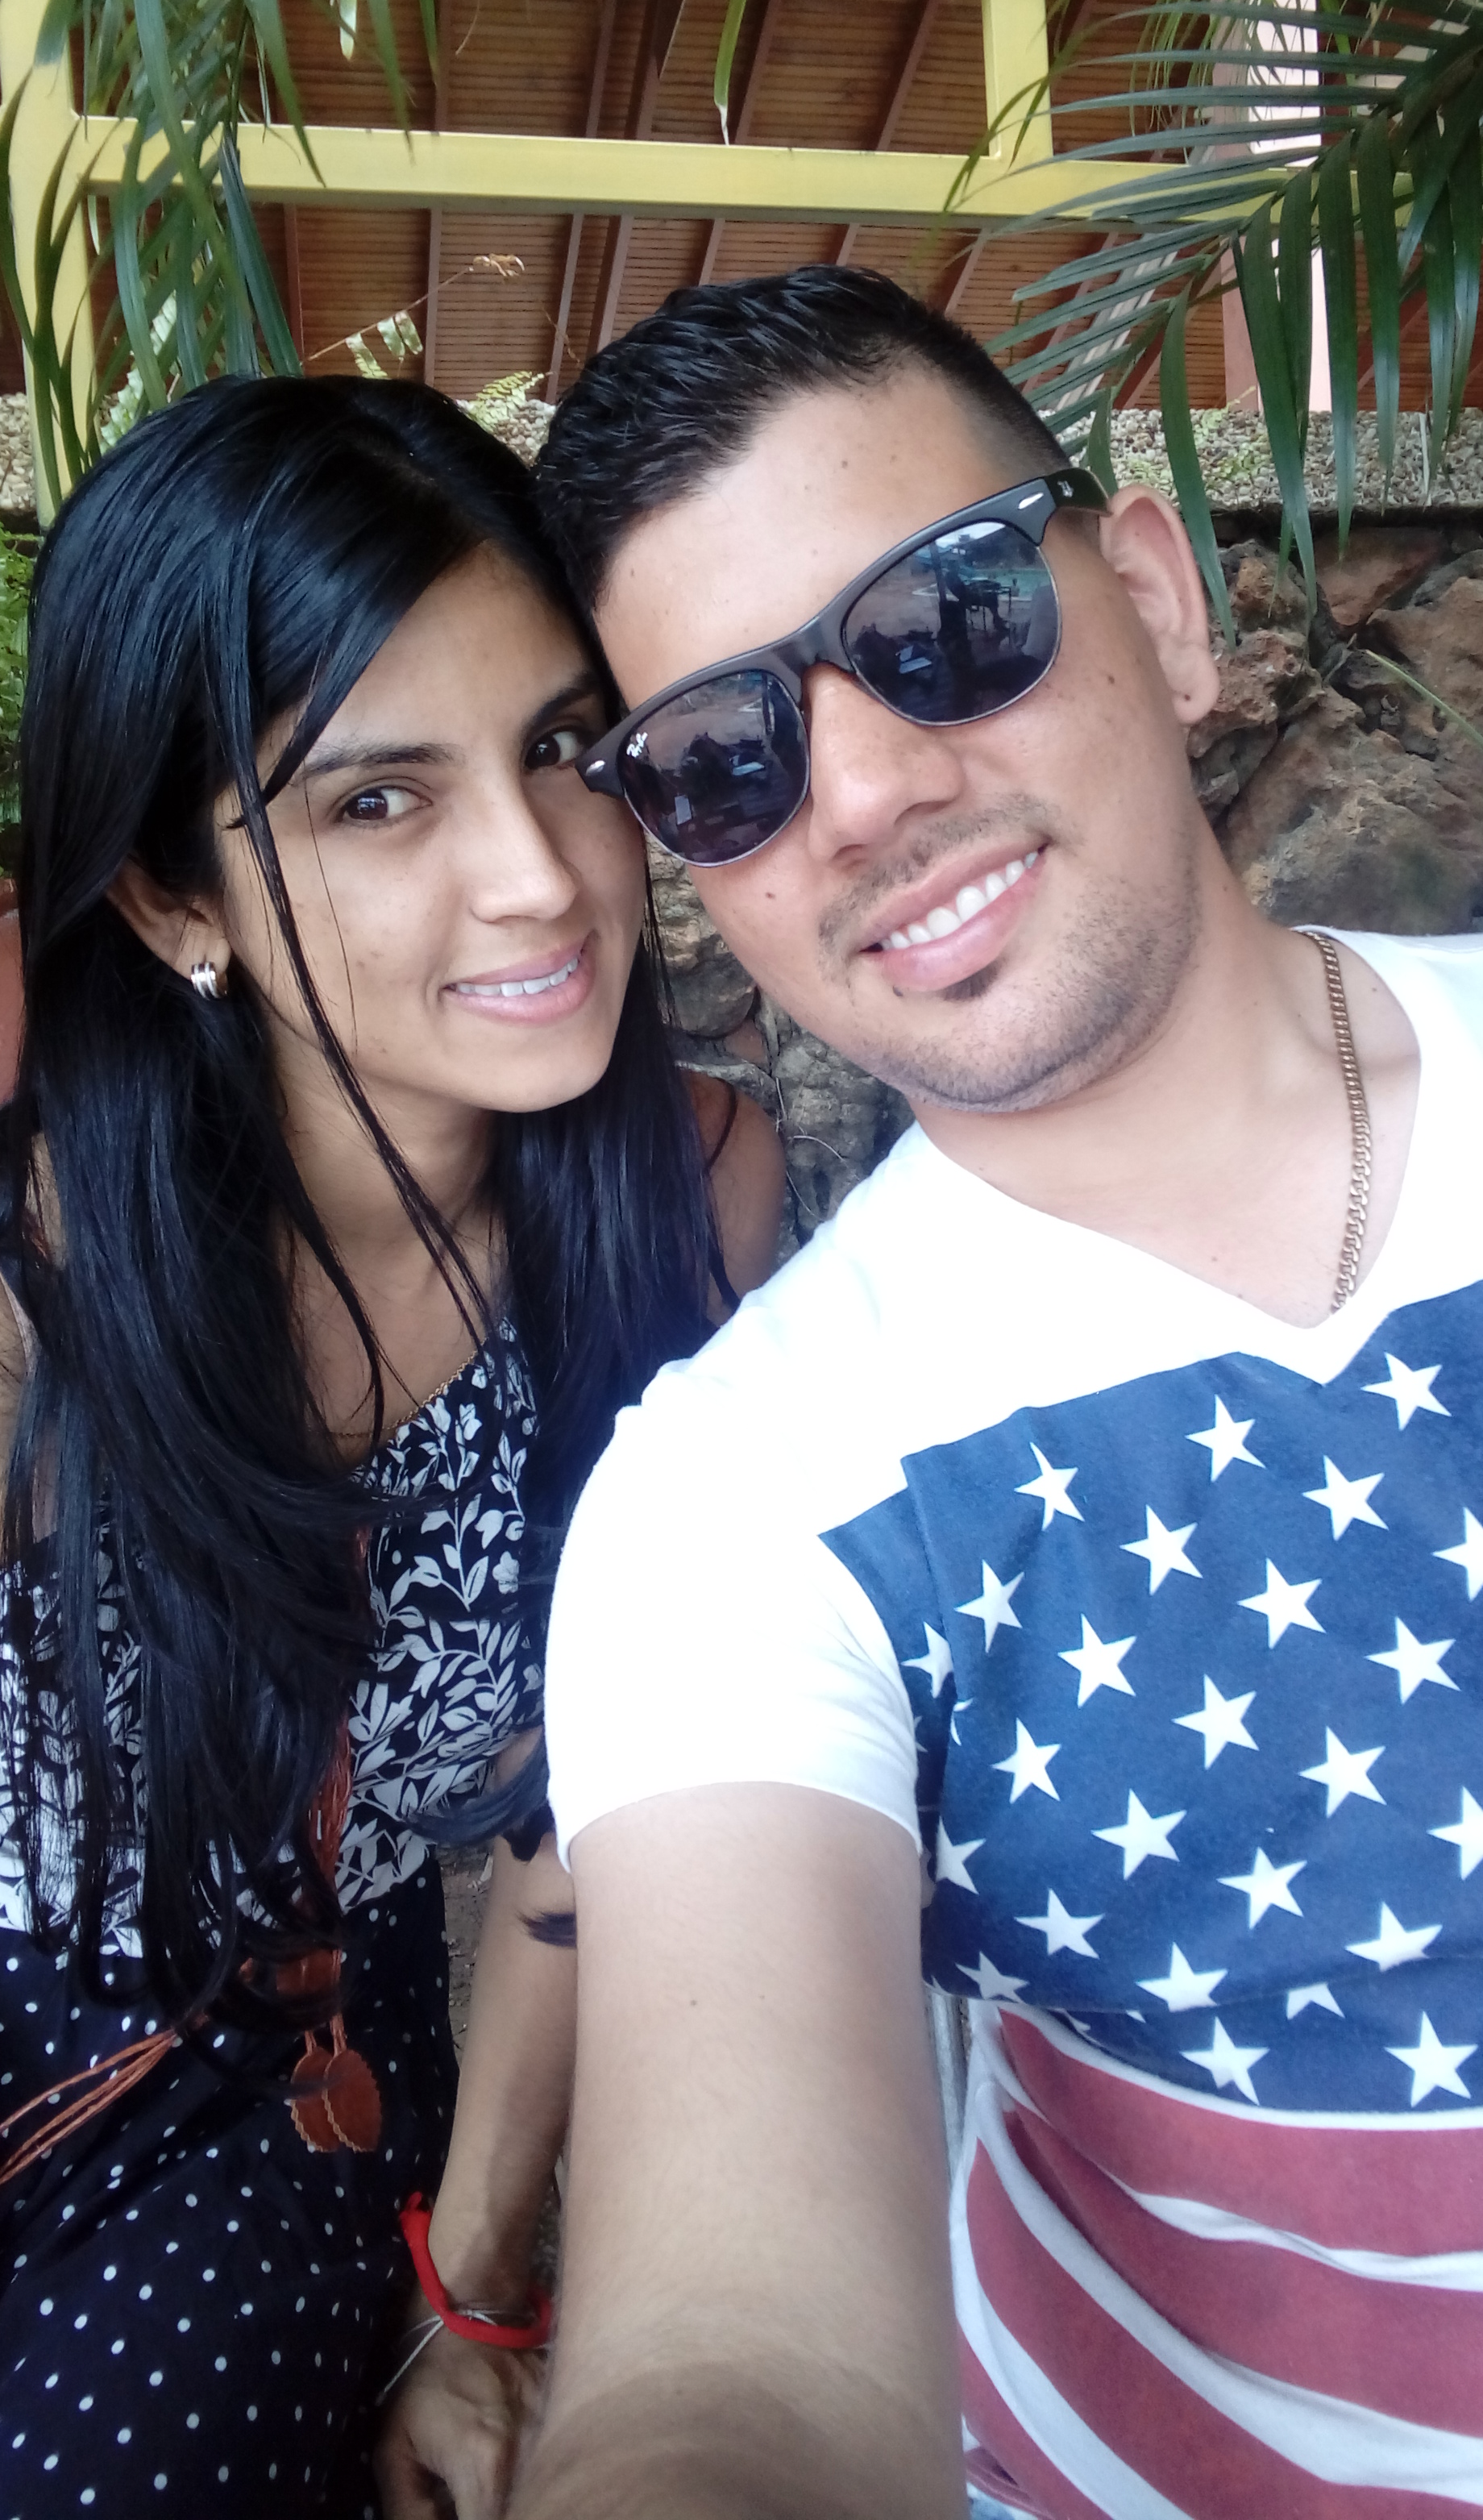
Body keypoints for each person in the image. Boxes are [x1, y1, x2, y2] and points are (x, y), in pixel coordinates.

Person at [494, 266, 1483, 2520]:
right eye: (725, 761)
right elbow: (730, 2357)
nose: (861, 792)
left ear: (1157, 600)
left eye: (946, 623)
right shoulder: (741, 1501)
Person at [0, 373, 781, 2520]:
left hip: (318, 2057)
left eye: (562, 747)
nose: (542, 877)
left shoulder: (690, 1195)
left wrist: (475, 2294)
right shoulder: (40, 1279)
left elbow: (586, 1796)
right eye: (375, 799)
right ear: (172, 899)